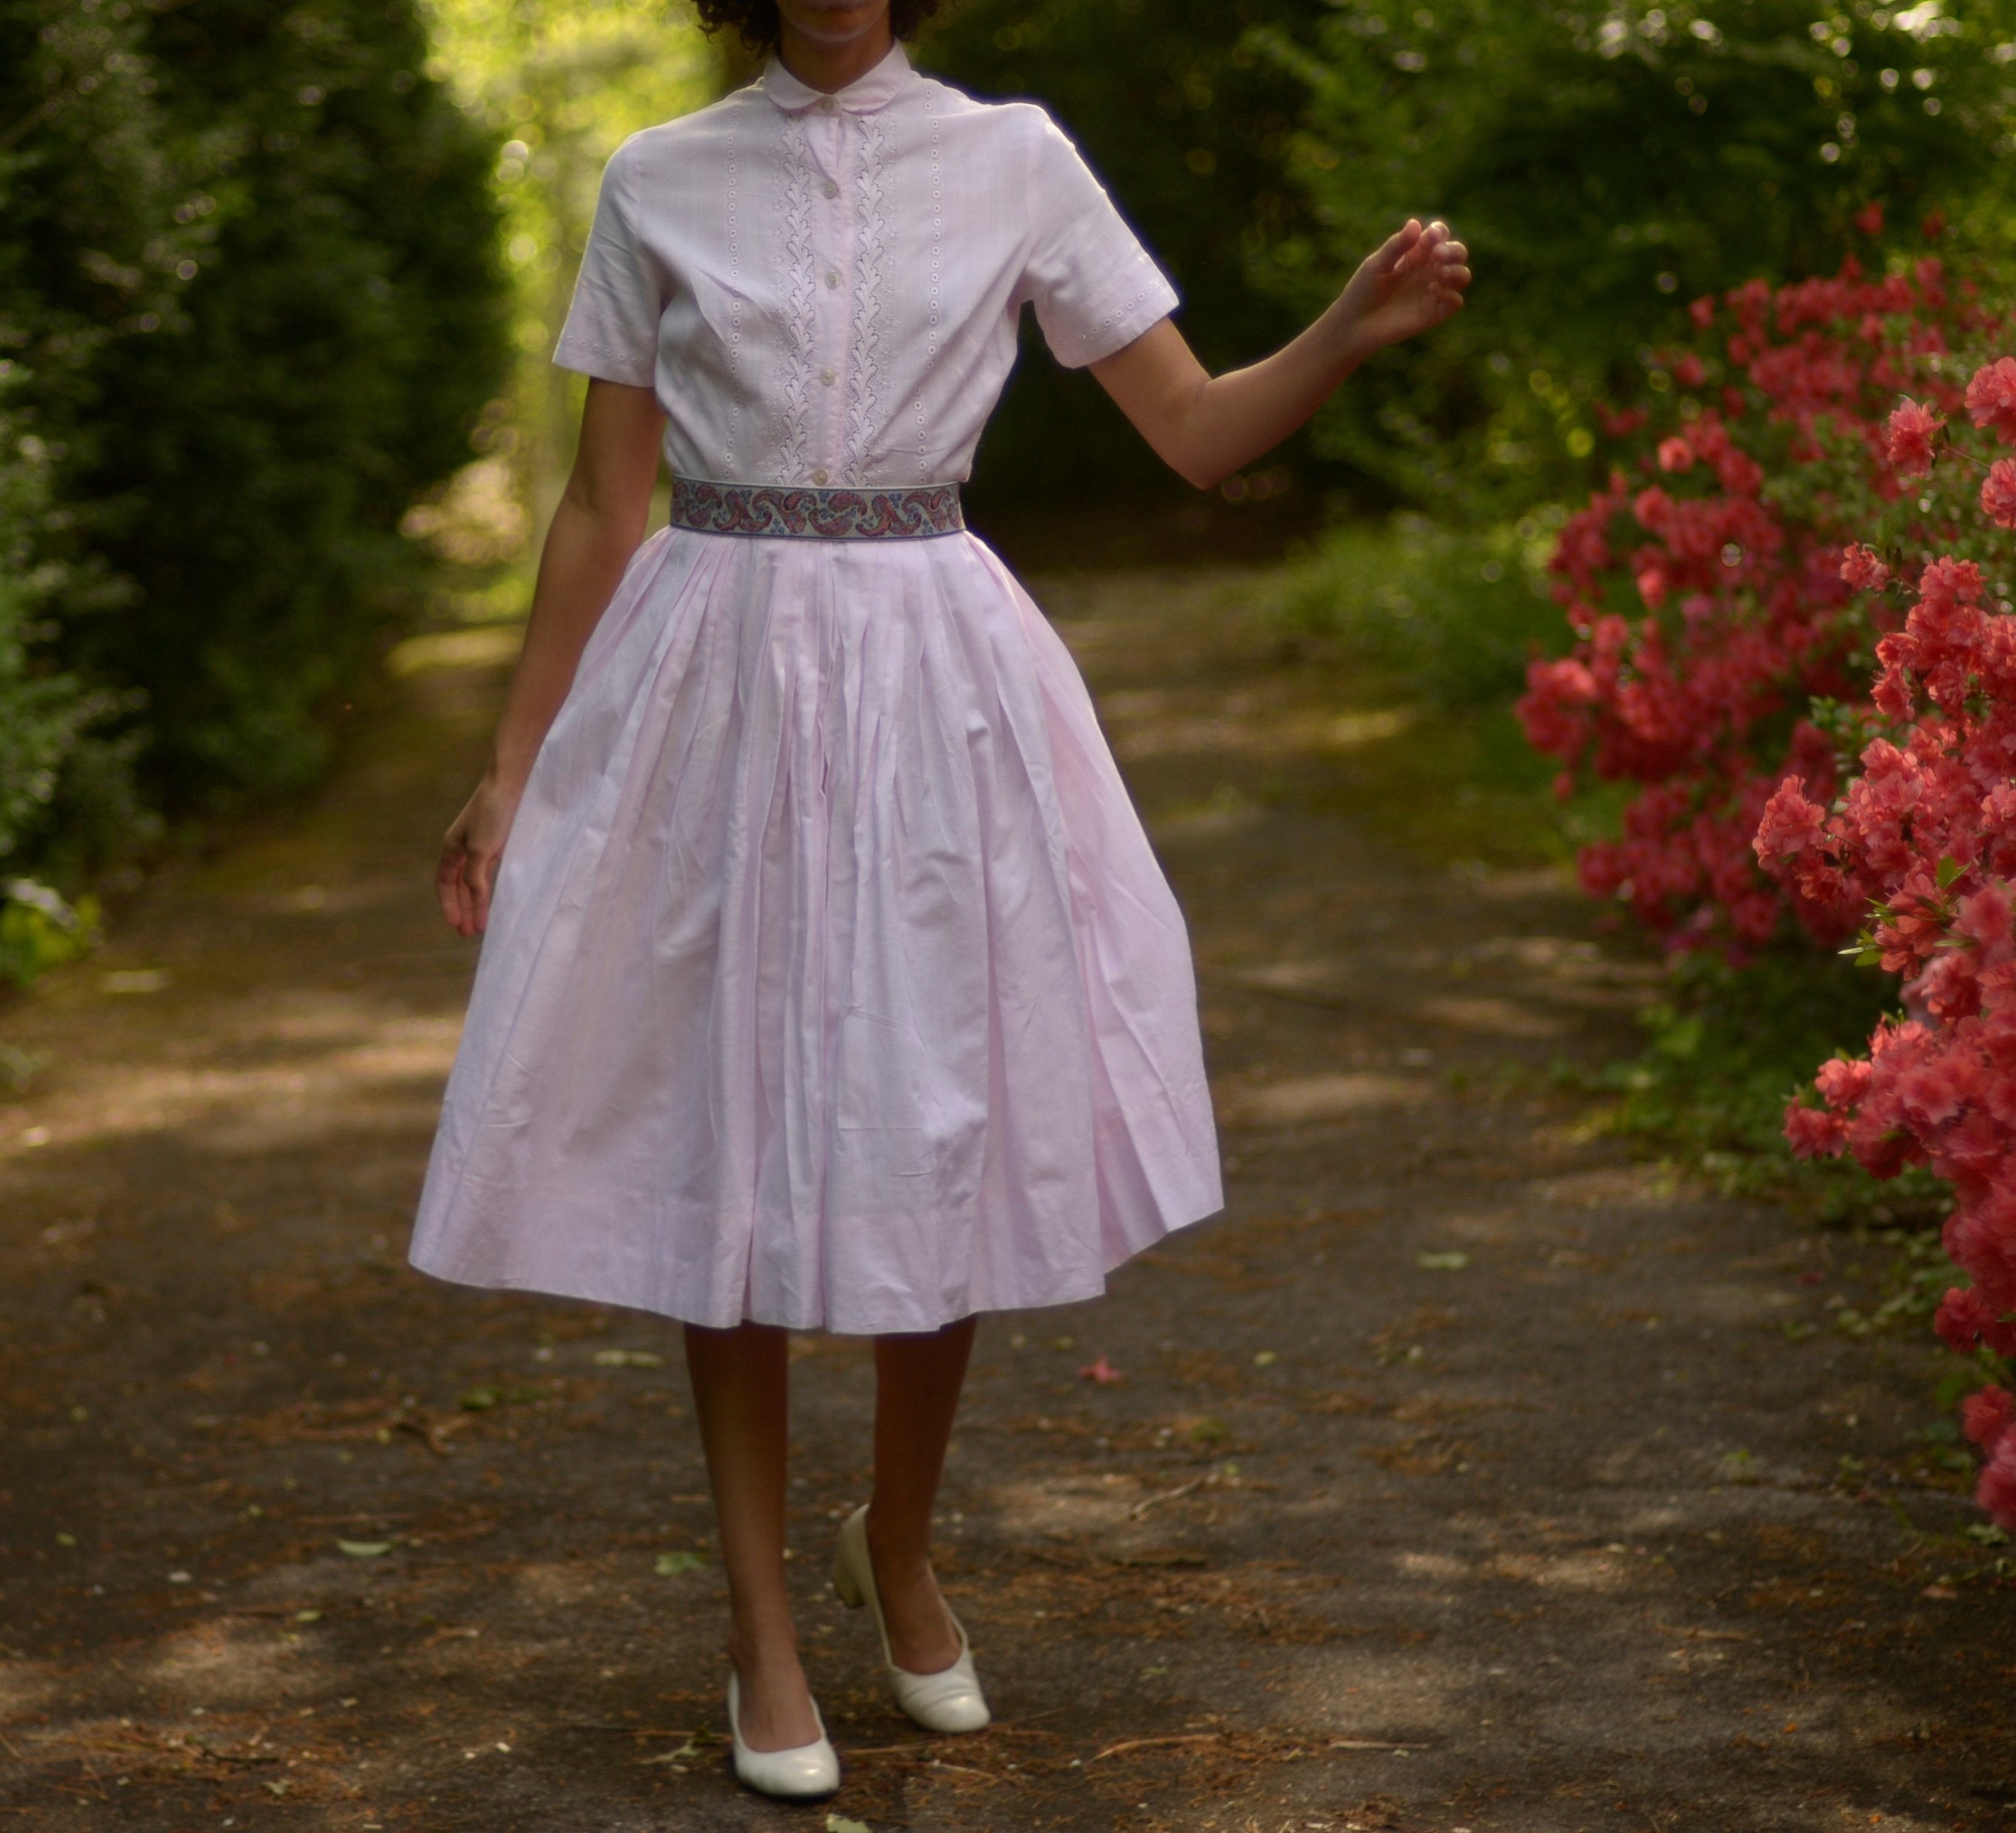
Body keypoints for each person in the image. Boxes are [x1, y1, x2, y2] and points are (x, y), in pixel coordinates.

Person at [411, 0, 1470, 1801]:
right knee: (723, 1139)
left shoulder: (1016, 155)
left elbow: (1200, 431)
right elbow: (600, 508)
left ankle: (895, 1543)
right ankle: (760, 1624)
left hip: (932, 676)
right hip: (713, 684)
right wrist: (514, 760)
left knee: (937, 1116)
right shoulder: (658, 176)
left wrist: (1347, 334)